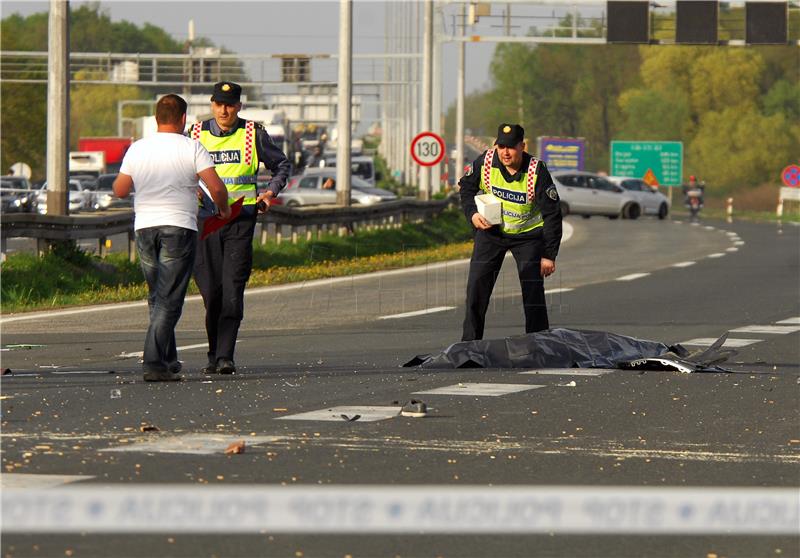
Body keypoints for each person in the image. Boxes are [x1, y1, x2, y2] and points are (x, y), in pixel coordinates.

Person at [113, 94, 231, 382]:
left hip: (145, 228)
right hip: (179, 227)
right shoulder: (192, 147)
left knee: (157, 295)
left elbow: (119, 189)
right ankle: (154, 362)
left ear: (156, 119)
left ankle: (168, 357)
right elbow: (215, 187)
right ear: (182, 119)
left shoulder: (138, 149)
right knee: (170, 299)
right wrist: (225, 209)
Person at [190, 81, 291, 375]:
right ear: (212, 104)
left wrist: (270, 193)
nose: (224, 110)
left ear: (239, 106)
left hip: (240, 219)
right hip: (206, 221)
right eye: (220, 104)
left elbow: (282, 165)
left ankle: (225, 356)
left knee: (233, 289)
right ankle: (213, 352)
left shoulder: (253, 134)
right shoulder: (194, 135)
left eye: (230, 104)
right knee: (212, 292)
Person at [459, 123, 563, 341]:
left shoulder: (537, 170)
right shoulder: (486, 161)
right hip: (492, 233)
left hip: (528, 237)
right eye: (501, 147)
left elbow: (552, 215)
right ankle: (469, 345)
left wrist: (548, 255)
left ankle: (538, 343)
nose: (505, 152)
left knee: (532, 291)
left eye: (511, 147)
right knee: (476, 287)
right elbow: (466, 188)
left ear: (522, 147)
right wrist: (472, 215)